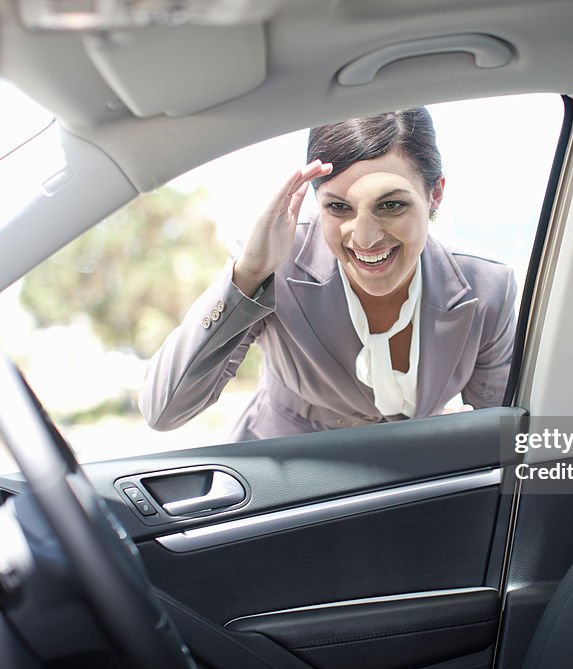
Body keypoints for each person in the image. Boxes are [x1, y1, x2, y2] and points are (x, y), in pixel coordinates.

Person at [140, 107, 517, 441]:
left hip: (409, 492)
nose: (366, 237)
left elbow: (500, 431)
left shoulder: (487, 288)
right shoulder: (276, 264)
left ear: (435, 194)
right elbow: (164, 412)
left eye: (391, 205)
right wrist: (248, 275)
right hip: (287, 487)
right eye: (338, 207)